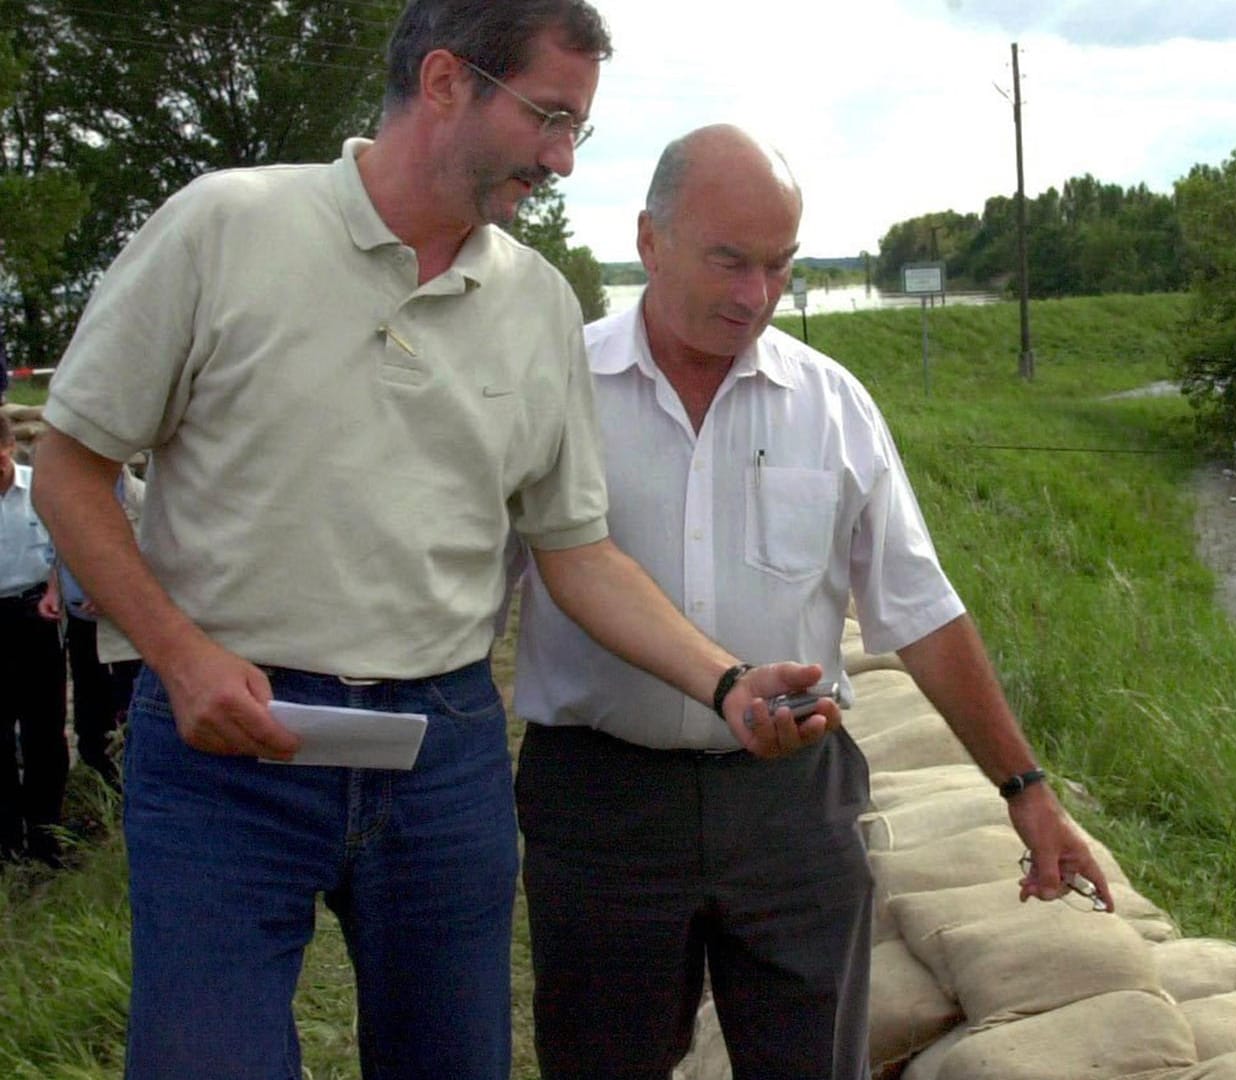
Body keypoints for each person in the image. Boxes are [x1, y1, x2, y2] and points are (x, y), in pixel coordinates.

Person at [31, 6, 834, 1078]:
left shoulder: (538, 304)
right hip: (224, 743)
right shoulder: (223, 227)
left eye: (577, 131)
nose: (560, 157)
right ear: (448, 81)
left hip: (438, 755)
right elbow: (71, 471)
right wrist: (179, 658)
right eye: (550, 118)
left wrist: (726, 682)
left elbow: (576, 550)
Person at [512, 124, 1113, 1080]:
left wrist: (1026, 791)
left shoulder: (831, 405)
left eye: (780, 266)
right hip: (603, 806)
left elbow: (919, 611)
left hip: (794, 807)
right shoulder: (555, 390)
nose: (756, 295)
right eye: (729, 260)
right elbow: (464, 593)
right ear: (649, 240)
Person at [0, 413, 67, 867]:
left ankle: (47, 836)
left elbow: (68, 546)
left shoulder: (41, 491)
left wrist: (56, 591)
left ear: (7, 449)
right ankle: (6, 841)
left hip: (35, 613)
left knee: (45, 731)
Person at [53, 464, 145, 789]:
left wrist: (112, 592)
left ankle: (127, 782)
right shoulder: (69, 490)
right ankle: (97, 783)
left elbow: (156, 560)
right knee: (89, 711)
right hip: (80, 622)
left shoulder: (141, 500)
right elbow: (56, 548)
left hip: (127, 630)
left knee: (127, 704)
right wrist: (55, 590)